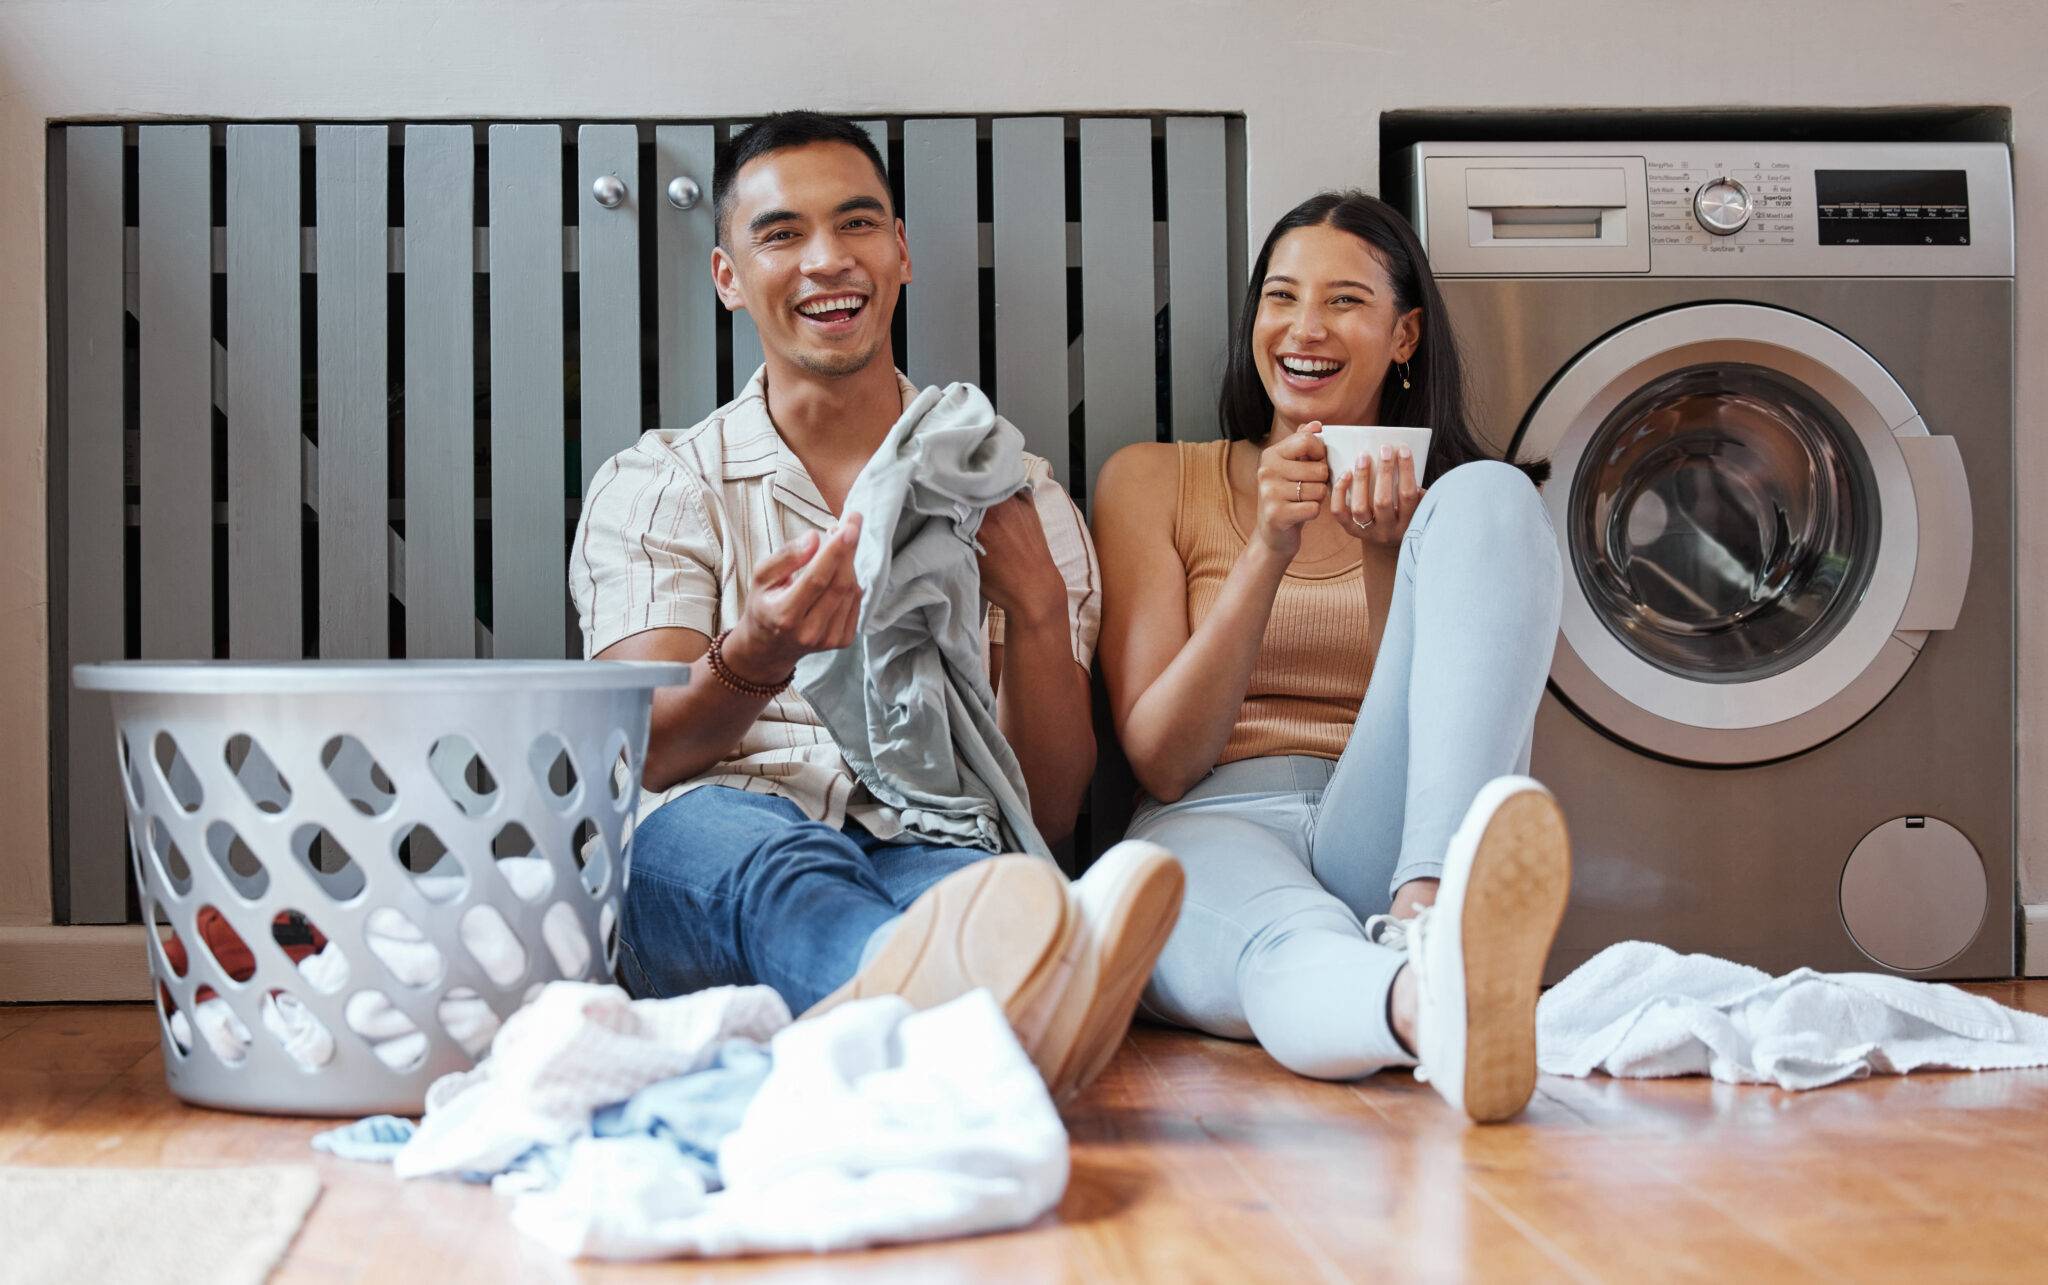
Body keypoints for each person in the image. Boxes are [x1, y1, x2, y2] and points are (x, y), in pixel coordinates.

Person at [571, 111, 1182, 1104]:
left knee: (981, 897)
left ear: (898, 254)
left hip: (928, 837)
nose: (826, 260)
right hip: (715, 846)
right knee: (774, 867)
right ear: (729, 278)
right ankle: (999, 1017)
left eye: (857, 225)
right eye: (780, 234)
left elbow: (1050, 804)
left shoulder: (1007, 489)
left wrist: (1031, 606)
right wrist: (756, 654)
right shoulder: (663, 484)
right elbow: (643, 753)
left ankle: (970, 1013)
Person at [1090, 190, 1570, 1122]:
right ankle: (1429, 1004)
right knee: (1289, 937)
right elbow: (1165, 758)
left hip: (1392, 836)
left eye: (1346, 301)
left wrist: (1389, 550)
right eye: (1282, 296)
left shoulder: (1452, 516)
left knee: (1493, 492)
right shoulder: (1153, 478)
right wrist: (1268, 545)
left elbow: (1424, 714)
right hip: (1214, 822)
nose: (1305, 328)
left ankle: (1437, 922)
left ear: (1404, 335)